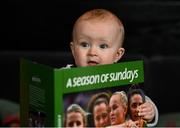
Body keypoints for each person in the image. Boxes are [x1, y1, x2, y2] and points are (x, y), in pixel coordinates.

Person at [69, 8, 158, 126]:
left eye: (103, 46)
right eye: (84, 44)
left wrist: (150, 112)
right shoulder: (64, 75)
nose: (92, 52)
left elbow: (141, 100)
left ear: (117, 55)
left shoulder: (123, 78)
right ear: (73, 50)